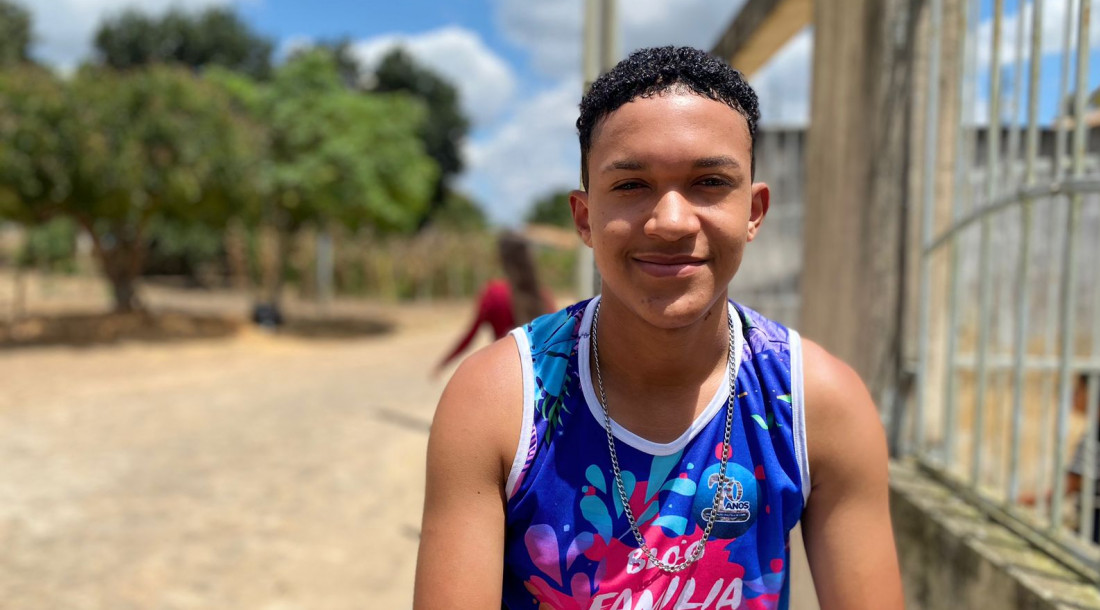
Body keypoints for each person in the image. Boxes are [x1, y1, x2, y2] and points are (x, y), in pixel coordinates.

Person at [414, 46, 903, 609]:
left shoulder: (814, 403)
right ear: (585, 218)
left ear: (754, 212)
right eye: (631, 185)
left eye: (710, 181)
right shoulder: (501, 403)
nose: (670, 222)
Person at [434, 231, 553, 375]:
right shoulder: (543, 295)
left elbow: (470, 335)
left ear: (501, 257)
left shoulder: (493, 293)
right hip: (540, 376)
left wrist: (445, 361)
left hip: (505, 372)